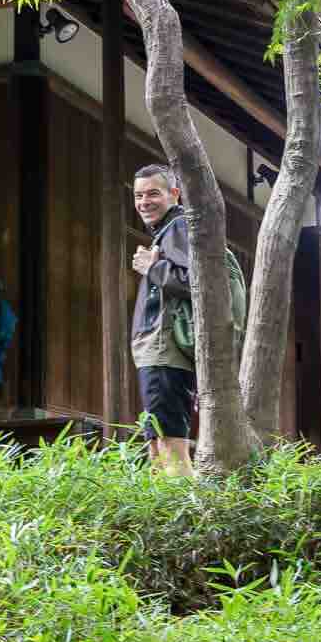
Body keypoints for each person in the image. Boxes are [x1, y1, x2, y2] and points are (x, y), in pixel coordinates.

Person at [131, 164, 195, 476]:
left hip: (165, 348)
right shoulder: (168, 232)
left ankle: (188, 522)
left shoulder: (179, 226)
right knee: (157, 444)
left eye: (153, 193)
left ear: (174, 194)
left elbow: (195, 281)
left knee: (169, 443)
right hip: (157, 349)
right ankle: (168, 518)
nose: (144, 202)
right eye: (138, 195)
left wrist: (152, 269)